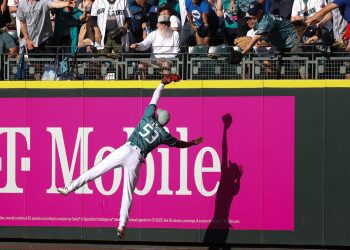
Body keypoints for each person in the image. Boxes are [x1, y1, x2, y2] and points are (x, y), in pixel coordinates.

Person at [57, 74, 204, 240]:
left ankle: (69, 188)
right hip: (136, 159)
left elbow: (154, 99)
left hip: (126, 150)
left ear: (157, 116)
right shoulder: (164, 134)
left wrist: (163, 84)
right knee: (127, 193)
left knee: (96, 170)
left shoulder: (148, 116)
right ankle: (121, 225)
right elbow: (178, 144)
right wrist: (192, 143)